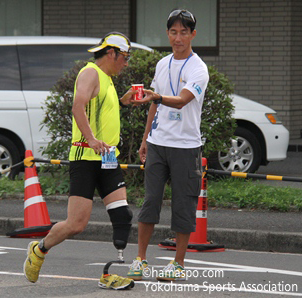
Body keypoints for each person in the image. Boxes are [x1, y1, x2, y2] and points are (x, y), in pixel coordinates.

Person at [23, 32, 139, 290]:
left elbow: (100, 113)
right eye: (125, 58)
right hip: (85, 159)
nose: (127, 63)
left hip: (108, 158)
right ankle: (39, 249)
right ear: (112, 54)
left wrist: (122, 101)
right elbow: (78, 106)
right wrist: (91, 139)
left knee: (122, 216)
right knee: (76, 224)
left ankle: (114, 270)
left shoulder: (108, 79)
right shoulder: (90, 73)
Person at [127, 9, 209, 281]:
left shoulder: (198, 68)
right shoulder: (162, 64)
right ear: (168, 34)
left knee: (183, 203)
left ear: (193, 34)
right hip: (158, 143)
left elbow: (182, 99)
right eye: (173, 32)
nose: (178, 38)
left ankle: (178, 263)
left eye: (183, 32)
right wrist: (144, 138)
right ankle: (140, 260)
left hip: (186, 146)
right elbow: (154, 103)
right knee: (150, 201)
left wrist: (158, 97)